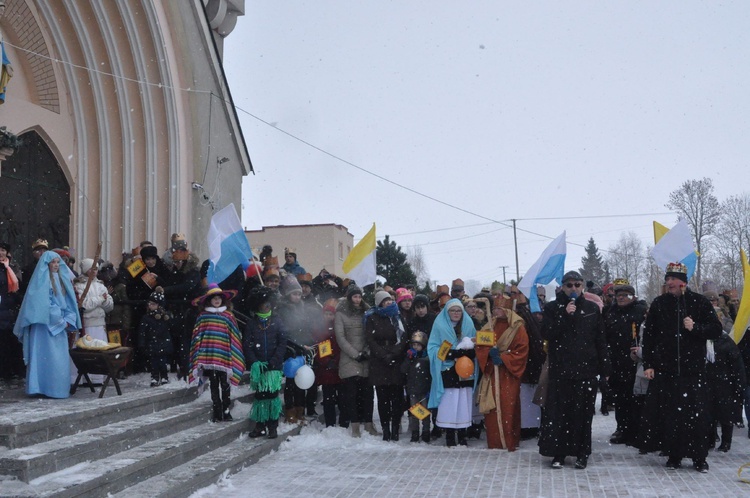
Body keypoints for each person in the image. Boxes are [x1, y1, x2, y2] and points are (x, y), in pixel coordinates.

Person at [638, 262, 722, 473]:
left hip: (693, 371)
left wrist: (696, 328)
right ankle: (673, 454)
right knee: (670, 415)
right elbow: (649, 337)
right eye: (667, 279)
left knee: (697, 416)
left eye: (673, 279)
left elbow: (716, 330)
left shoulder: (699, 302)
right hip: (667, 370)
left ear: (683, 282)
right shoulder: (659, 304)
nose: (670, 283)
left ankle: (699, 457)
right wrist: (648, 363)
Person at [538, 271, 610, 470]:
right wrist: (565, 316)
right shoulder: (553, 308)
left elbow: (600, 340)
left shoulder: (592, 308)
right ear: (562, 287)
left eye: (577, 285)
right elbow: (547, 333)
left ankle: (582, 453)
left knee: (583, 414)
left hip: (586, 370)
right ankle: (559, 453)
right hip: (561, 370)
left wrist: (605, 367)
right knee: (559, 414)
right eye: (569, 285)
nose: (574, 288)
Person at [13, 250, 81, 398]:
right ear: (47, 264)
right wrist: (59, 319)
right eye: (53, 262)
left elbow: (69, 301)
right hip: (43, 326)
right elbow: (42, 304)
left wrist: (69, 317)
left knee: (59, 359)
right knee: (44, 357)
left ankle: (57, 388)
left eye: (58, 262)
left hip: (59, 324)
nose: (56, 265)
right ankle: (42, 387)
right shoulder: (41, 281)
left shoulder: (62, 279)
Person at [475, 297, 529, 451]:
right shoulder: (489, 326)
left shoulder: (517, 327)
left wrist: (504, 357)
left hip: (509, 374)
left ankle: (509, 440)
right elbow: (480, 346)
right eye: (494, 309)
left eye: (499, 309)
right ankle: (495, 441)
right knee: (492, 408)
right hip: (493, 372)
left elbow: (522, 350)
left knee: (508, 405)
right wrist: (488, 354)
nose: (495, 312)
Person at [189, 285, 245, 422]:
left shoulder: (229, 316)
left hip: (225, 356)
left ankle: (226, 410)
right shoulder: (203, 317)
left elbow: (234, 337)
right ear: (208, 300)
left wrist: (234, 353)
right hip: (208, 357)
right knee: (214, 384)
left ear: (223, 300)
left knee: (225, 385)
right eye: (214, 298)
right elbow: (197, 336)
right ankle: (217, 411)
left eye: (218, 298)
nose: (216, 300)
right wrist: (198, 353)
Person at [427, 298, 477, 447]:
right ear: (447, 312)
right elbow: (433, 348)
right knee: (449, 402)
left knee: (463, 401)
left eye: (459, 311)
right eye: (453, 310)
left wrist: (467, 353)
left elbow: (477, 346)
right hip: (447, 370)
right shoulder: (439, 325)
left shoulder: (468, 324)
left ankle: (462, 434)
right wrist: (453, 354)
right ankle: (449, 434)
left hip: (465, 370)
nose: (456, 313)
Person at [603, 280, 647, 446]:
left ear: (632, 296)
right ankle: (622, 428)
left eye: (624, 295)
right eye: (618, 296)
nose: (621, 299)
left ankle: (636, 430)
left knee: (636, 398)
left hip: (635, 361)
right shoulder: (610, 312)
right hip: (616, 361)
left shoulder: (640, 310)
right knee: (620, 399)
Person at [243, 286, 286, 439]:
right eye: (263, 303)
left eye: (268, 303)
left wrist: (274, 361)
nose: (266, 306)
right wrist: (256, 363)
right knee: (260, 396)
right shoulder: (251, 324)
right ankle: (260, 426)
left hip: (274, 368)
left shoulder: (277, 321)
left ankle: (272, 426)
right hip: (259, 368)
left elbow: (282, 343)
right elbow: (247, 345)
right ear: (257, 305)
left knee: (273, 396)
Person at [334, 286, 377, 437]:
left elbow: (371, 334)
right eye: (355, 297)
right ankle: (355, 427)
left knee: (367, 394)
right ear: (349, 298)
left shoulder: (367, 312)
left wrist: (366, 352)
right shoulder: (341, 314)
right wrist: (355, 354)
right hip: (349, 359)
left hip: (365, 359)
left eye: (359, 297)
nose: (357, 300)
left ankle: (369, 424)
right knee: (351, 395)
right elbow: (340, 337)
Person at [366, 290, 408, 441]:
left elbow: (403, 338)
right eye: (385, 301)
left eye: (390, 300)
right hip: (379, 362)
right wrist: (383, 355)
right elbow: (370, 340)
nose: (388, 303)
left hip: (395, 361)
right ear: (379, 303)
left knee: (396, 398)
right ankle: (385, 429)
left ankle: (395, 428)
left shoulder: (397, 317)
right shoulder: (372, 318)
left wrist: (394, 354)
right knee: (383, 398)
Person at [73, 258, 114, 384]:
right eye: (91, 268)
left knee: (99, 351)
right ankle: (85, 378)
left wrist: (104, 301)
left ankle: (97, 377)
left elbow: (109, 306)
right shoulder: (79, 286)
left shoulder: (101, 286)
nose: (94, 271)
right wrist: (100, 299)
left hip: (100, 322)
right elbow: (84, 306)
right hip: (87, 324)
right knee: (87, 352)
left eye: (96, 268)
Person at [705, 332, 746, 452]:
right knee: (710, 414)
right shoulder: (707, 342)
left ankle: (725, 442)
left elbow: (737, 365)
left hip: (725, 385)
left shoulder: (726, 342)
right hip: (712, 383)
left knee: (725, 415)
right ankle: (711, 440)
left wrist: (739, 384)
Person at [311, 299, 343, 427]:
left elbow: (341, 344)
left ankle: (343, 421)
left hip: (339, 366)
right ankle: (330, 423)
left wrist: (337, 360)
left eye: (331, 314)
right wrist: (327, 361)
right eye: (327, 314)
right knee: (328, 397)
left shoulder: (338, 327)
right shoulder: (319, 328)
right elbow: (321, 345)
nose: (329, 317)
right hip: (326, 369)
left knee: (341, 397)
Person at [137, 287, 174, 387]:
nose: (150, 305)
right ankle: (154, 377)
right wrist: (142, 343)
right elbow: (142, 331)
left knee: (162, 362)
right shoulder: (146, 318)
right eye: (149, 303)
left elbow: (171, 328)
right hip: (152, 343)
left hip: (162, 342)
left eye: (153, 304)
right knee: (153, 362)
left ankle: (164, 376)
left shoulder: (165, 317)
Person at [401, 331, 431, 443]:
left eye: (418, 345)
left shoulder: (426, 359)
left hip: (424, 390)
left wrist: (430, 388)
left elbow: (430, 374)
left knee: (425, 413)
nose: (415, 347)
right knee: (414, 413)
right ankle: (415, 433)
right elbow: (403, 370)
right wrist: (408, 359)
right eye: (414, 345)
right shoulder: (410, 359)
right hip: (413, 390)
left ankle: (426, 432)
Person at [0, 241, 23, 380]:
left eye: (3, 250)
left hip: (10, 309)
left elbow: (17, 287)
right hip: (1, 308)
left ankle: (12, 370)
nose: (1, 253)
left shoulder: (12, 268)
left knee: (11, 341)